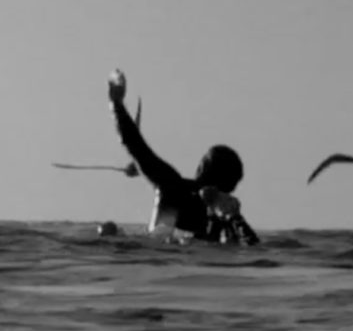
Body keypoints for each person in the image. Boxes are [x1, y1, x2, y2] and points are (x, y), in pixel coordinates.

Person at [108, 69, 259, 245]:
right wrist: (234, 217)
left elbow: (135, 145)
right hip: (182, 253)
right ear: (231, 186)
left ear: (201, 168)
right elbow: (253, 246)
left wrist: (116, 104)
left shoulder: (172, 185)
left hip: (156, 253)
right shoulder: (226, 216)